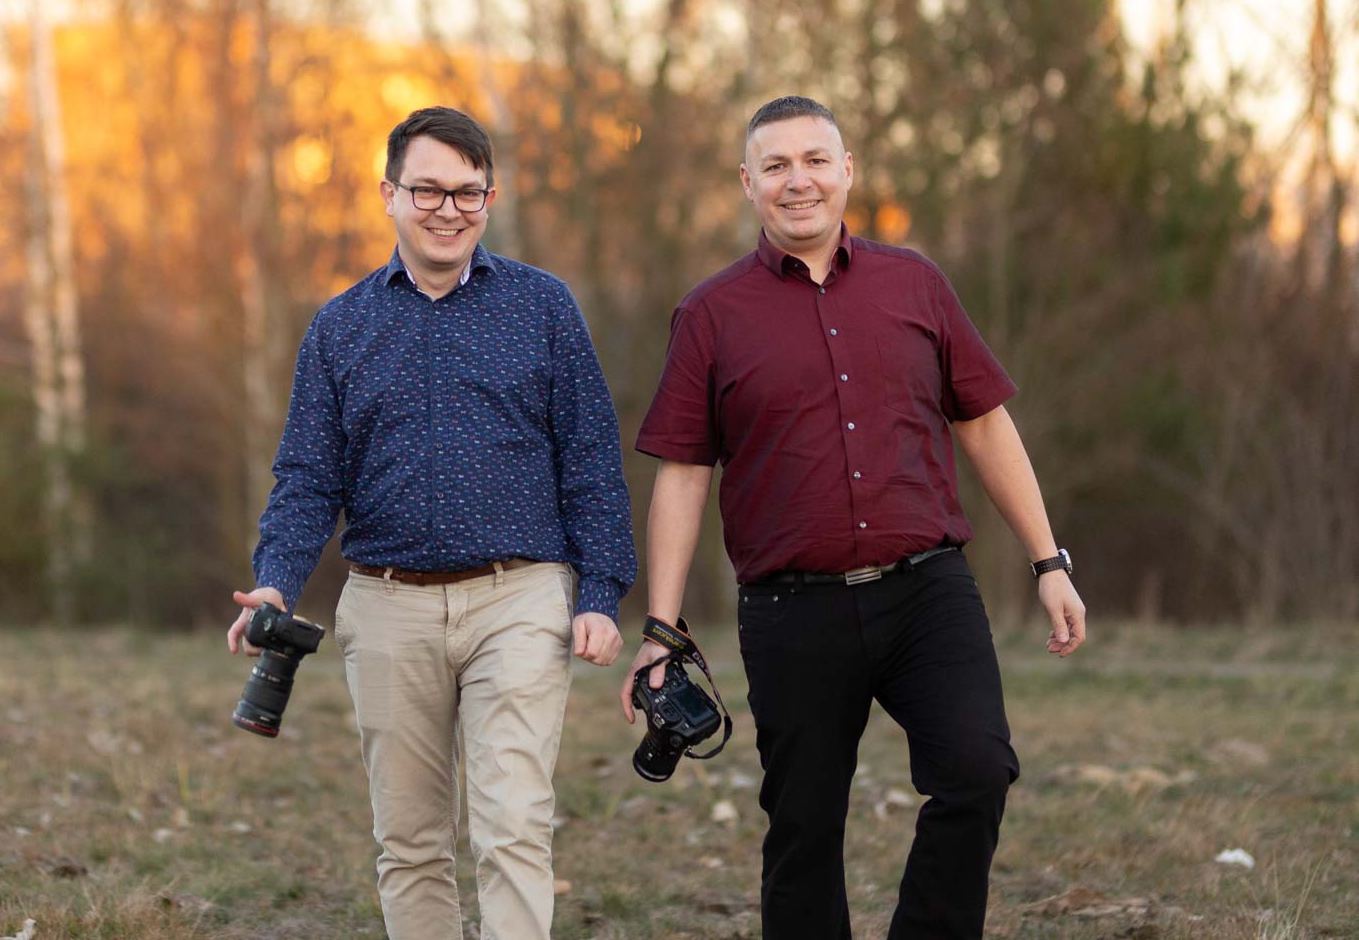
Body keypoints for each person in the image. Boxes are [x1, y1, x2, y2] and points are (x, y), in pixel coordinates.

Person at [620, 95, 1087, 939]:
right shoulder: (710, 315)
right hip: (791, 613)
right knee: (804, 830)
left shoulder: (917, 284)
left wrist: (1048, 562)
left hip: (927, 593)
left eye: (814, 160)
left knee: (978, 771)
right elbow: (684, 474)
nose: (797, 181)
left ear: (847, 173)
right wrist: (661, 625)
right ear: (747, 183)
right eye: (775, 166)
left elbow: (982, 422)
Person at [228, 105, 636, 940]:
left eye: (467, 192)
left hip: (519, 599)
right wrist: (275, 575)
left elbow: (591, 458)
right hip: (386, 605)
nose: (448, 210)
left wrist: (600, 589)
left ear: (490, 197)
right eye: (428, 190)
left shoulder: (543, 308)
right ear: (389, 194)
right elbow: (308, 474)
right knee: (410, 842)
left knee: (512, 824)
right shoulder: (340, 326)